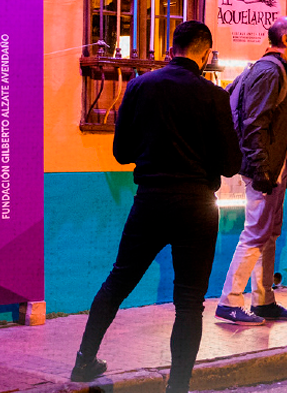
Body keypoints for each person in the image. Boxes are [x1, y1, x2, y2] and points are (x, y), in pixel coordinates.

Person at [70, 21, 242, 393]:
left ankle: (84, 361)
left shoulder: (139, 86)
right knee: (189, 301)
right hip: (197, 205)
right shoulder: (214, 96)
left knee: (117, 282)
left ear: (172, 47)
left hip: (150, 200)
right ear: (206, 52)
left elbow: (121, 153)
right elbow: (231, 164)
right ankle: (177, 386)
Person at [215, 16, 287, 325]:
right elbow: (254, 122)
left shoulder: (281, 70)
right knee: (256, 233)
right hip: (265, 169)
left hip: (275, 167)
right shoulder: (270, 72)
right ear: (285, 39)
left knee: (268, 234)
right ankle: (229, 301)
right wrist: (261, 171)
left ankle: (264, 301)